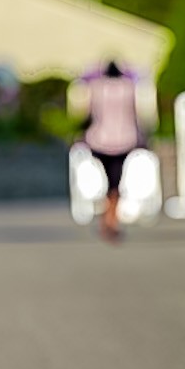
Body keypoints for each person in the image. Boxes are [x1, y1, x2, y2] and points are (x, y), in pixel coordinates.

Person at [70, 59, 152, 241]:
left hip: (99, 140)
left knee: (106, 181)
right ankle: (111, 219)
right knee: (116, 182)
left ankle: (108, 218)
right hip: (124, 139)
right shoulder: (129, 87)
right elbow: (138, 114)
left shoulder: (96, 87)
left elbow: (86, 113)